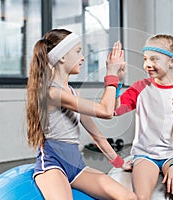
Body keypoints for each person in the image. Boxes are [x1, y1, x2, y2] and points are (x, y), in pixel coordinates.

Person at [26, 29, 137, 200]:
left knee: (129, 197)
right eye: (78, 51)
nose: (83, 57)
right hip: (53, 166)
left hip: (76, 166)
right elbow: (105, 111)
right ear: (62, 56)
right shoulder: (51, 93)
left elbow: (96, 134)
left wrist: (119, 163)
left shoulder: (74, 94)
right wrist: (111, 74)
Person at [114, 34, 173, 200]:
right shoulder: (140, 88)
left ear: (172, 62)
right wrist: (117, 83)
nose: (147, 65)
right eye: (145, 59)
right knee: (142, 197)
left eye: (154, 59)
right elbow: (115, 110)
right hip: (145, 156)